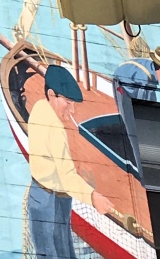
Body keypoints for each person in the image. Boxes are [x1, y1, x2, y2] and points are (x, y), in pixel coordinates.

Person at [27, 65, 113, 259]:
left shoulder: (40, 107)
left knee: (63, 252)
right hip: (47, 199)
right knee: (52, 254)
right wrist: (93, 197)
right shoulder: (54, 127)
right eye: (67, 102)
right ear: (51, 94)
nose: (72, 110)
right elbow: (66, 176)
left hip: (54, 195)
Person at [113, 46, 160, 179]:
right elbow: (140, 104)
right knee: (132, 127)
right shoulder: (144, 78)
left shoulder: (150, 72)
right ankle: (139, 170)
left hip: (129, 83)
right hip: (123, 88)